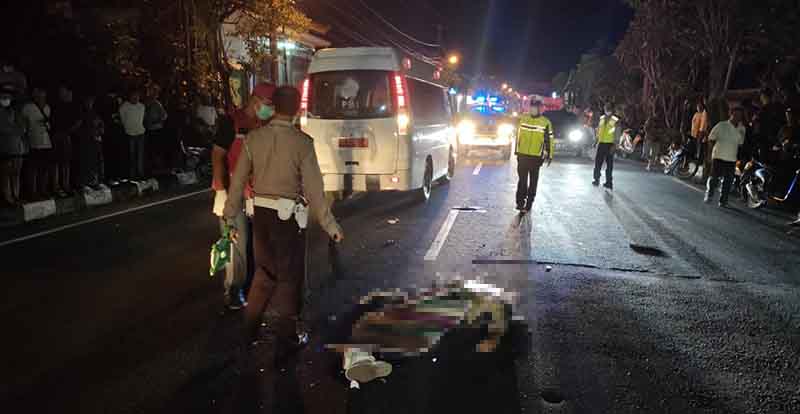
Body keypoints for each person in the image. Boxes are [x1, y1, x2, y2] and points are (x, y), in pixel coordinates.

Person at [222, 86, 343, 411]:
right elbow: (316, 192)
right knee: (289, 279)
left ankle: (247, 334)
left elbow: (237, 183)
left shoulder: (253, 139)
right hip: (288, 219)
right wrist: (331, 226)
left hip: (259, 216)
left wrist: (229, 215)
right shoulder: (302, 143)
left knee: (264, 274)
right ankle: (285, 343)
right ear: (297, 109)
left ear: (274, 107)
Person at [212, 82, 275, 310]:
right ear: (255, 100)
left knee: (255, 244)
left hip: (255, 191)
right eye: (268, 105)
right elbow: (218, 155)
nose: (270, 110)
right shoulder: (231, 122)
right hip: (232, 190)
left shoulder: (263, 124)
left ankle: (250, 288)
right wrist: (221, 190)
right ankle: (234, 289)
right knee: (236, 243)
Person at [514, 100, 554, 213]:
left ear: (539, 109)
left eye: (535, 108)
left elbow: (549, 139)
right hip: (522, 155)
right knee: (522, 181)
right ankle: (520, 202)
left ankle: (529, 202)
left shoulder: (545, 122)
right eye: (531, 107)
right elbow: (517, 136)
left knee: (533, 181)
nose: (532, 110)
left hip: (536, 157)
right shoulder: (523, 119)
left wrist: (550, 155)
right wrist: (517, 152)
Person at [705, 107, 746, 207]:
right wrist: (709, 154)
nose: (737, 117)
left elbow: (740, 143)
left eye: (739, 116)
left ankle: (723, 200)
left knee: (728, 180)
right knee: (714, 178)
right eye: (735, 115)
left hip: (731, 158)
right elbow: (711, 139)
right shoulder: (721, 125)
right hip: (718, 156)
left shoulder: (742, 129)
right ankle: (709, 193)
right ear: (730, 114)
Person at [21, 88, 54, 200]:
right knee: (33, 169)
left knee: (44, 169)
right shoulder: (27, 108)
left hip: (46, 143)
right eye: (39, 95)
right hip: (33, 143)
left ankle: (43, 190)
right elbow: (23, 125)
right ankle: (32, 192)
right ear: (34, 95)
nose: (41, 98)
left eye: (43, 96)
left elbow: (50, 125)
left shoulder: (47, 108)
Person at [51, 85, 80, 196]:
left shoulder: (73, 106)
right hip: (57, 136)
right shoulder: (56, 106)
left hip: (67, 136)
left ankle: (66, 185)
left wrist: (70, 131)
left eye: (65, 92)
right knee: (56, 163)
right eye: (61, 92)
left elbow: (78, 120)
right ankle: (56, 187)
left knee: (66, 162)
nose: (63, 94)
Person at [0, 84, 26, 206]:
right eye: (3, 95)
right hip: (4, 147)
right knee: (6, 174)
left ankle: (16, 196)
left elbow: (23, 128)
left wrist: (15, 128)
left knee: (16, 173)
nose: (6, 98)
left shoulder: (15, 111)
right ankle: (8, 197)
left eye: (8, 96)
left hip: (17, 147)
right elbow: (4, 128)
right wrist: (14, 128)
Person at [76, 95, 105, 190]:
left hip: (96, 141)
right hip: (86, 142)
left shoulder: (95, 113)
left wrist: (100, 131)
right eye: (88, 101)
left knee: (96, 162)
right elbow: (79, 127)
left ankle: (96, 181)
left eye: (91, 101)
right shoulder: (82, 113)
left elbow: (101, 125)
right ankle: (85, 183)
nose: (89, 103)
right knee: (87, 162)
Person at [593, 102, 622, 189]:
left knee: (609, 165)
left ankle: (609, 182)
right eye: (606, 107)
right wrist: (596, 141)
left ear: (611, 109)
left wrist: (615, 145)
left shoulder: (615, 120)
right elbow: (599, 130)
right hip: (601, 143)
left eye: (608, 107)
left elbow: (617, 133)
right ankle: (596, 179)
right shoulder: (602, 118)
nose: (606, 109)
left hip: (610, 145)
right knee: (598, 163)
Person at [119, 89, 146, 180]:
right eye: (133, 96)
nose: (135, 98)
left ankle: (140, 173)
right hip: (130, 133)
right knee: (131, 155)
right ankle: (132, 175)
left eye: (137, 96)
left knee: (140, 155)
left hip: (140, 133)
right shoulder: (124, 107)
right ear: (130, 96)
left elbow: (142, 119)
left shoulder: (142, 106)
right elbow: (123, 120)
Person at [144, 86, 168, 173]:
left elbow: (164, 116)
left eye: (155, 93)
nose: (153, 95)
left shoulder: (157, 104)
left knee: (156, 149)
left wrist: (156, 121)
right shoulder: (145, 103)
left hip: (156, 130)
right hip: (147, 129)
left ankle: (156, 167)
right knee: (149, 149)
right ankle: (149, 167)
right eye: (151, 93)